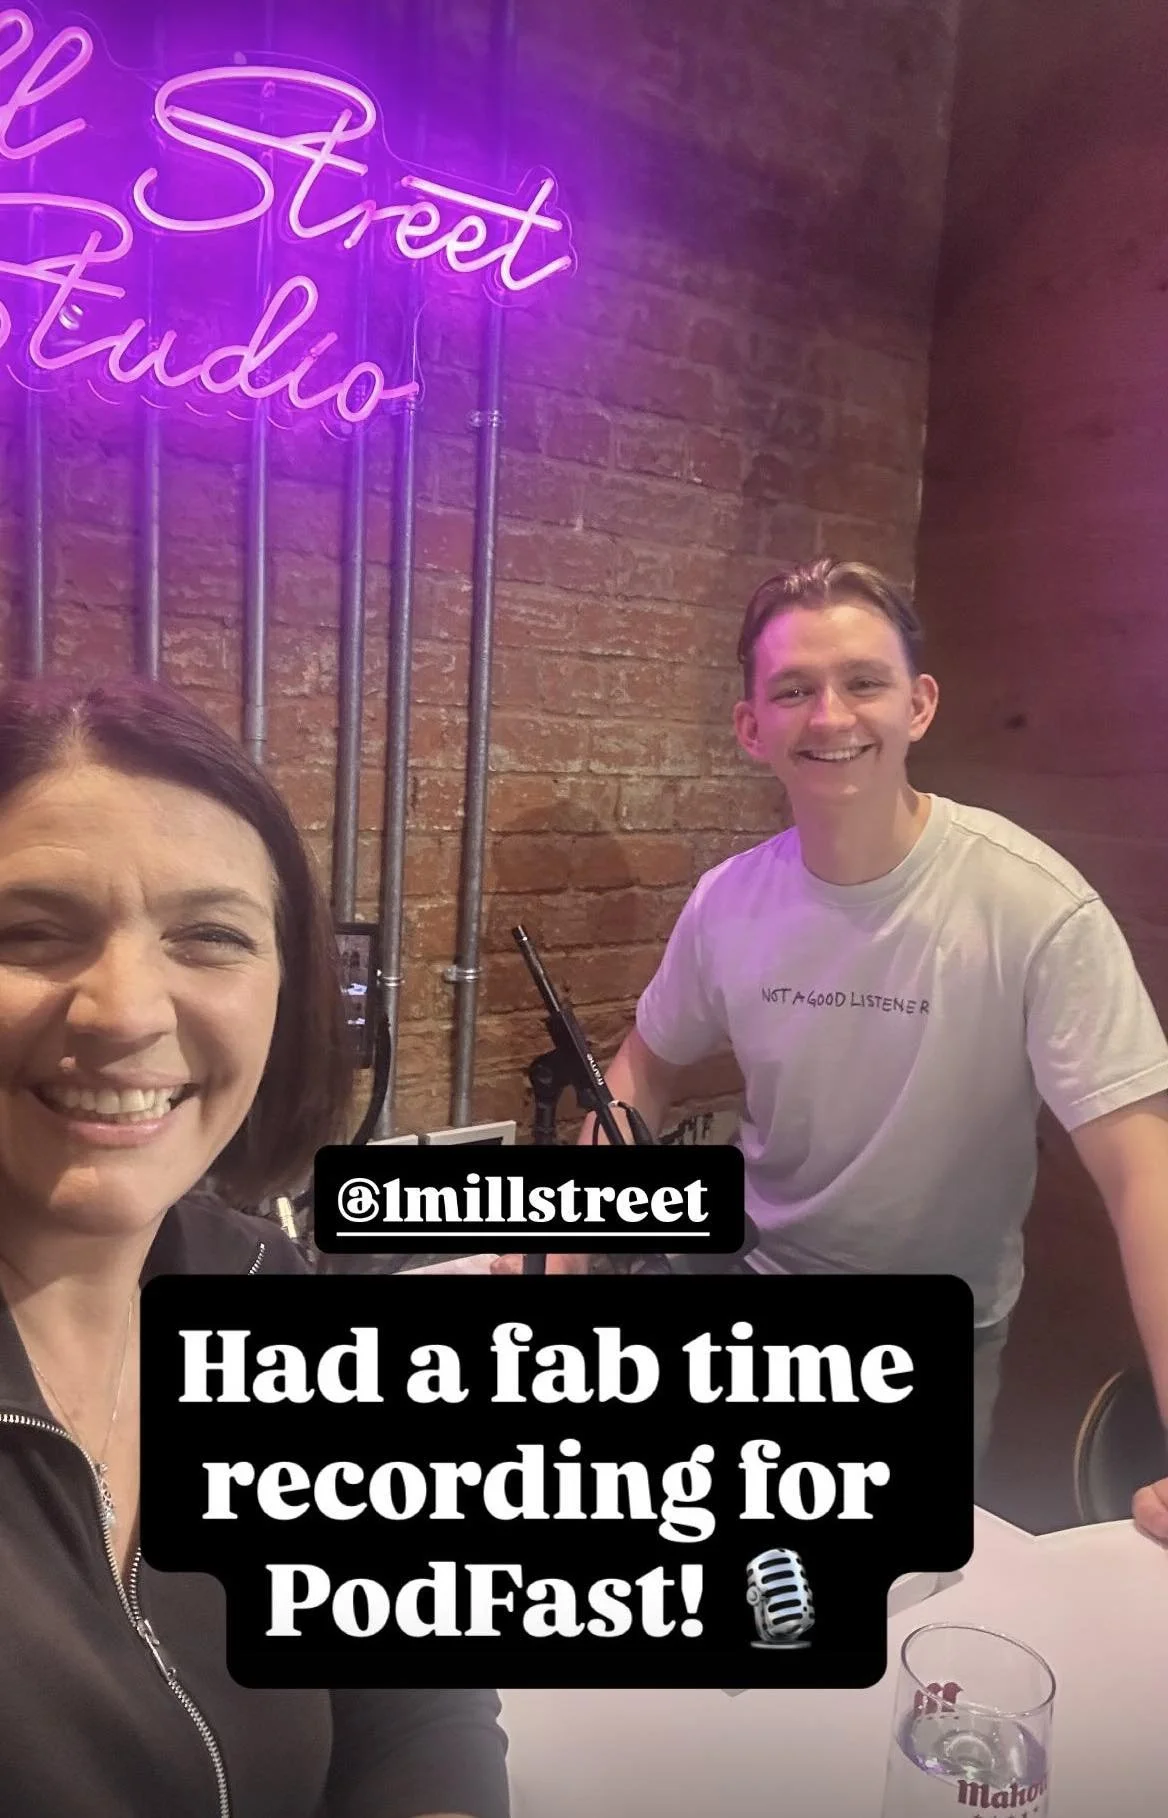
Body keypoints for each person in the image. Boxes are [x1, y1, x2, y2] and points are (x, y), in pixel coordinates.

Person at [530, 557, 1168, 1542]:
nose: (830, 717)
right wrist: (564, 1242)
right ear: (752, 728)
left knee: (885, 1614)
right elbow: (645, 1069)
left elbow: (1142, 1173)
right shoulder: (729, 901)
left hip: (936, 1342)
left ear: (917, 704)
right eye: (793, 691)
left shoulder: (1031, 906)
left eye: (862, 682)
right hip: (751, 1287)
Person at [0, 678, 510, 1818]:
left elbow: (416, 1688)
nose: (125, 1010)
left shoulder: (265, 1289)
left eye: (211, 936)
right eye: (32, 932)